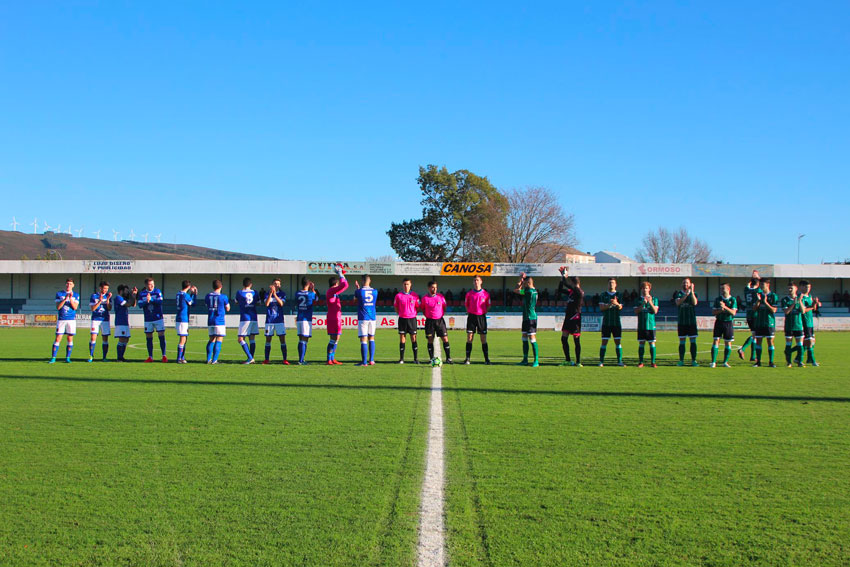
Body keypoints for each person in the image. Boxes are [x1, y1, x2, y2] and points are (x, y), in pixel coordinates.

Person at [556, 267, 584, 366]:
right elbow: (560, 290)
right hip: (568, 317)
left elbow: (566, 284)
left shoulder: (579, 291)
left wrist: (564, 276)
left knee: (576, 340)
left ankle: (578, 362)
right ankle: (568, 360)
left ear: (573, 283)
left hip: (575, 317)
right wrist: (562, 278)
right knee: (564, 339)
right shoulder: (572, 292)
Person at [421, 280, 452, 364]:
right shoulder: (425, 298)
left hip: (439, 321)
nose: (434, 289)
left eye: (436, 287)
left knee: (445, 338)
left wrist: (439, 315)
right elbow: (422, 309)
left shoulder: (440, 297)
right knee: (430, 339)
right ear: (429, 288)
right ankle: (431, 359)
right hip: (429, 321)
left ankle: (448, 358)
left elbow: (444, 307)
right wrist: (428, 315)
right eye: (432, 287)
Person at [50, 278, 79, 363]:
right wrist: (65, 299)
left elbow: (75, 307)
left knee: (70, 338)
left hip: (71, 320)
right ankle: (53, 358)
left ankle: (68, 358)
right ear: (65, 284)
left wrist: (70, 299)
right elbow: (58, 307)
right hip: (61, 319)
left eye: (70, 284)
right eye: (67, 283)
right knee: (58, 338)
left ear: (73, 285)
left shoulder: (76, 295)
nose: (68, 285)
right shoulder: (59, 294)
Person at [138, 277, 167, 363]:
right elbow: (140, 305)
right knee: (148, 337)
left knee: (161, 335)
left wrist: (151, 299)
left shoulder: (157, 292)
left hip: (158, 318)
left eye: (152, 284)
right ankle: (150, 356)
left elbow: (160, 302)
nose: (151, 286)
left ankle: (164, 356)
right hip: (148, 319)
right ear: (146, 285)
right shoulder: (142, 294)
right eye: (149, 284)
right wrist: (146, 301)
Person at [464, 275, 491, 364]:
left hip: (481, 317)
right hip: (471, 317)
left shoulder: (486, 294)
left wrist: (483, 312)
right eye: (475, 280)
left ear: (481, 281)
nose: (476, 282)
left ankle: (486, 359)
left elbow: (488, 306)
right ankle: (467, 359)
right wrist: (470, 312)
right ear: (473, 282)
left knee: (483, 339)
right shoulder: (469, 294)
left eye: (478, 280)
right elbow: (466, 305)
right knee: (469, 337)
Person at [514, 272, 539, 367]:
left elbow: (516, 290)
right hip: (526, 317)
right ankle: (525, 359)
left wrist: (520, 281)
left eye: (524, 284)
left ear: (528, 283)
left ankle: (536, 360)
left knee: (532, 338)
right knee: (524, 337)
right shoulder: (533, 290)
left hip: (530, 318)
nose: (523, 285)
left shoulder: (529, 292)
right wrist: (523, 280)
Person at [325, 265, 349, 365]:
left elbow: (344, 285)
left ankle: (332, 358)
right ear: (335, 284)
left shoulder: (334, 292)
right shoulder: (331, 291)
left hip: (336, 317)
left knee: (336, 338)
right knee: (333, 339)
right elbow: (345, 285)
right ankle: (329, 359)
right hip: (333, 318)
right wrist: (340, 274)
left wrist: (342, 275)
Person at [673, 277, 699, 366]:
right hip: (682, 322)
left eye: (687, 283)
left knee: (693, 341)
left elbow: (695, 303)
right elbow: (678, 303)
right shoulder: (678, 294)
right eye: (684, 283)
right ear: (681, 284)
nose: (685, 284)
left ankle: (693, 360)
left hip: (691, 322)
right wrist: (686, 295)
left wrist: (692, 292)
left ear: (690, 284)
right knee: (682, 341)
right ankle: (681, 360)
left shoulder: (694, 293)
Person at [598, 277, 624, 366]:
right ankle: (601, 362)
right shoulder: (603, 295)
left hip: (616, 322)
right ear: (607, 284)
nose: (611, 284)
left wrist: (616, 303)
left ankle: (619, 361)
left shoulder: (619, 295)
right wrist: (609, 304)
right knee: (604, 342)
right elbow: (601, 308)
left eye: (613, 283)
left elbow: (620, 307)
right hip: (606, 322)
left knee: (618, 342)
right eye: (610, 283)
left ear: (616, 284)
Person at [710, 283, 737, 368]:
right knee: (716, 340)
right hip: (719, 322)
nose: (721, 290)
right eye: (721, 288)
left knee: (728, 342)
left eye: (723, 288)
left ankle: (725, 362)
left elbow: (733, 313)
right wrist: (720, 310)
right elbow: (713, 312)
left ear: (728, 289)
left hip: (728, 323)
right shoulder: (718, 299)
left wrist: (725, 307)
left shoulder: (733, 299)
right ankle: (713, 362)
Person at [753, 278, 778, 367]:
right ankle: (758, 362)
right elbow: (754, 309)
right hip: (759, 322)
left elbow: (774, 310)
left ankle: (771, 362)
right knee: (758, 341)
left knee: (770, 341)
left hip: (769, 322)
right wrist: (759, 301)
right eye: (760, 284)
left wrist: (765, 302)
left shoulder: (773, 296)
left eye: (762, 284)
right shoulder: (758, 295)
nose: (761, 286)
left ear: (768, 285)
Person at [262, 278, 288, 364]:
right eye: (275, 283)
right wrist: (271, 293)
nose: (276, 285)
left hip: (279, 320)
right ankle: (266, 359)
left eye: (278, 284)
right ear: (272, 285)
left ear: (280, 285)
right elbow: (266, 304)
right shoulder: (267, 293)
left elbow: (281, 303)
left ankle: (285, 359)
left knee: (282, 339)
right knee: (268, 340)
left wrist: (275, 295)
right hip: (269, 320)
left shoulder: (282, 294)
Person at [394, 278, 420, 364]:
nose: (406, 286)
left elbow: (418, 307)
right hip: (402, 319)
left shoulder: (415, 295)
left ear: (410, 285)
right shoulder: (398, 296)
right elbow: (396, 307)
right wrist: (401, 313)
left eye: (407, 284)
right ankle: (401, 359)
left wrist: (412, 313)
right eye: (405, 284)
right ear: (402, 285)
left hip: (412, 319)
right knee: (402, 338)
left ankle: (415, 359)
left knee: (413, 338)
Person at [235, 277, 260, 364]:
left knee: (240, 339)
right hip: (254, 317)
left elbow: (236, 302)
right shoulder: (255, 292)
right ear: (251, 284)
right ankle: (252, 358)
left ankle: (250, 358)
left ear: (243, 284)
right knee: (252, 338)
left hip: (245, 318)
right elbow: (259, 303)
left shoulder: (239, 292)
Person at [205, 279, 230, 364]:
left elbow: (207, 305)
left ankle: (208, 359)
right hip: (219, 321)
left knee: (211, 339)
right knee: (219, 339)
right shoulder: (223, 297)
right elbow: (228, 308)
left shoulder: (208, 296)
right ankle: (214, 360)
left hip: (210, 320)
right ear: (221, 286)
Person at [634, 281, 659, 368]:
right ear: (641, 289)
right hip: (641, 326)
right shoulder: (638, 300)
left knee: (652, 343)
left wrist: (650, 302)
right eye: (643, 288)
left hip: (651, 326)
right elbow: (636, 311)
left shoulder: (654, 299)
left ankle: (653, 362)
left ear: (649, 289)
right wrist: (643, 303)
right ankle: (641, 362)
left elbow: (655, 311)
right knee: (641, 343)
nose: (645, 290)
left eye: (646, 288)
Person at [354, 275, 378, 366]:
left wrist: (357, 288)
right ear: (369, 281)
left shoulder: (359, 291)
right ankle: (371, 360)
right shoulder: (375, 291)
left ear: (362, 281)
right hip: (372, 317)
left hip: (363, 317)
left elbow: (355, 300)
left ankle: (364, 362)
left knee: (363, 339)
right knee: (371, 337)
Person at [294, 277, 318, 364]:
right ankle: (301, 360)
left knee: (301, 339)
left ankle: (301, 359)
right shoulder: (311, 294)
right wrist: (313, 289)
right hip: (306, 319)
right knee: (304, 339)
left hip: (299, 318)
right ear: (308, 284)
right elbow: (316, 299)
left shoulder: (297, 293)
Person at [738, 271, 761, 361]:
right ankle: (742, 349)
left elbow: (748, 284)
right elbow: (762, 286)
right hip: (756, 315)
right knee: (755, 335)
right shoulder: (758, 291)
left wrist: (752, 278)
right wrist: (758, 277)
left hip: (748, 315)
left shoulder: (746, 290)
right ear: (758, 284)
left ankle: (753, 356)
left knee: (754, 334)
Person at [781, 282, 805, 367]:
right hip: (789, 326)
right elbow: (786, 312)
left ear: (796, 289)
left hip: (798, 325)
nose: (790, 290)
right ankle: (789, 362)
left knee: (800, 344)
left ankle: (800, 361)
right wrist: (794, 303)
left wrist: (799, 301)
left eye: (791, 288)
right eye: (789, 288)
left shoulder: (800, 299)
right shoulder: (785, 300)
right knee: (788, 344)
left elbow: (803, 311)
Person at [88, 281, 112, 362]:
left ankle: (104, 357)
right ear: (100, 288)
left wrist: (107, 299)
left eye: (107, 288)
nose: (106, 290)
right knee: (93, 337)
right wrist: (99, 301)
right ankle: (91, 356)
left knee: (105, 338)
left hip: (105, 319)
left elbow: (109, 308)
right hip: (95, 319)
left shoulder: (108, 296)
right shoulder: (94, 296)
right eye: (104, 288)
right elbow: (93, 309)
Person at [175, 280, 197, 364]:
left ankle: (182, 357)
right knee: (183, 338)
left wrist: (191, 294)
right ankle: (179, 358)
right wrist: (194, 294)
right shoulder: (185, 295)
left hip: (180, 318)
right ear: (188, 286)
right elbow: (193, 303)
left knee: (184, 338)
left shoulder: (178, 294)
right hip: (183, 318)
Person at [799, 280, 820, 366]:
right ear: (801, 287)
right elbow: (803, 310)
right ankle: (813, 361)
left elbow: (814, 308)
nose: (808, 289)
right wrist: (811, 307)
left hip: (810, 322)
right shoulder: (801, 297)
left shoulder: (809, 296)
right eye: (806, 287)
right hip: (804, 322)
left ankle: (799, 358)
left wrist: (815, 303)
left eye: (809, 287)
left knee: (811, 341)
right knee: (809, 342)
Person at [113, 284, 137, 362]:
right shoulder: (118, 298)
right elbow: (128, 304)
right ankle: (119, 358)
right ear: (121, 291)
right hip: (120, 322)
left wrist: (134, 295)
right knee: (122, 339)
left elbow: (133, 304)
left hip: (125, 322)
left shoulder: (124, 298)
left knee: (126, 339)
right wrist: (132, 296)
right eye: (126, 291)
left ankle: (121, 357)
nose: (127, 292)